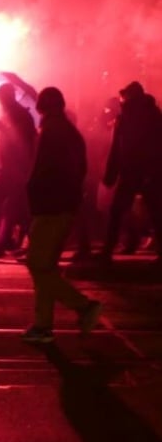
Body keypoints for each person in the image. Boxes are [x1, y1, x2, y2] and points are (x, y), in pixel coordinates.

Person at [22, 87, 102, 343]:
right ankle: (42, 325)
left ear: (42, 107)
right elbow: (79, 168)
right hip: (64, 205)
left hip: (51, 207)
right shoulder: (68, 131)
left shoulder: (51, 132)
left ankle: (83, 306)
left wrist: (34, 197)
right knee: (46, 267)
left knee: (38, 264)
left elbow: (45, 171)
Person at [100, 81, 162, 264]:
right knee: (156, 212)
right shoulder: (154, 115)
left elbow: (117, 148)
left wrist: (110, 174)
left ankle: (107, 250)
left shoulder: (127, 115)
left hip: (133, 170)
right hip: (149, 171)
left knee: (117, 211)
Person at [0, 83, 36, 257]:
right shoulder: (11, 112)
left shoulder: (19, 114)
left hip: (15, 168)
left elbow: (21, 140)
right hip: (9, 167)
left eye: (2, 96)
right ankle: (5, 242)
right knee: (16, 208)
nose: (0, 100)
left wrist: (3, 128)